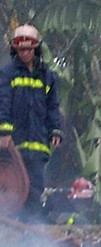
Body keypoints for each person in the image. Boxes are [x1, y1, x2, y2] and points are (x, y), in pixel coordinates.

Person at [0, 24, 61, 221]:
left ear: (36, 48)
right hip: (13, 147)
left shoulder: (46, 76)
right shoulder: (8, 74)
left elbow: (53, 106)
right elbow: (3, 102)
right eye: (21, 49)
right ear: (15, 49)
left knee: (35, 190)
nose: (25, 52)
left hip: (38, 144)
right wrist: (4, 132)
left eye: (29, 48)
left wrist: (55, 130)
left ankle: (29, 234)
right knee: (14, 190)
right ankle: (12, 229)